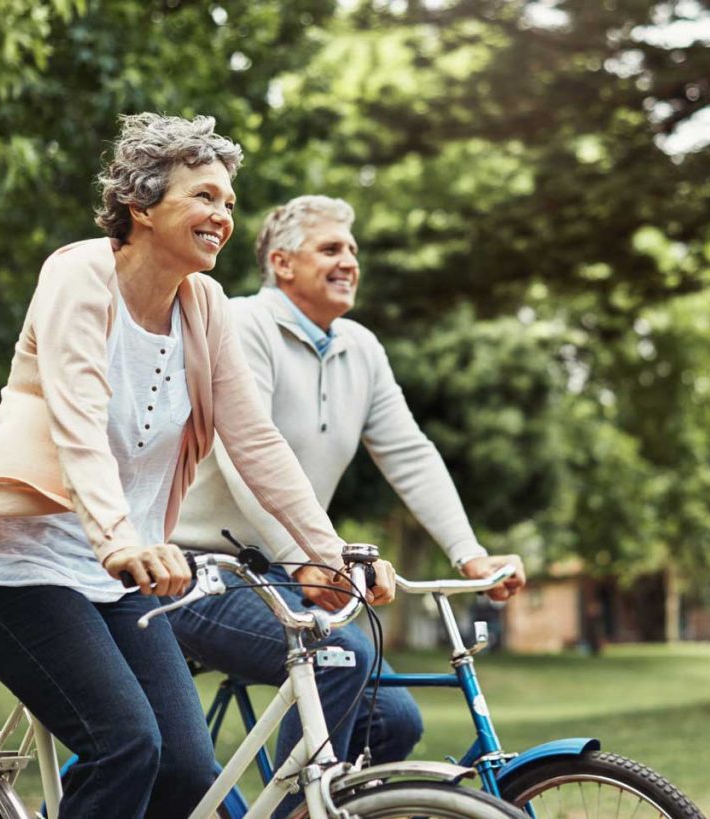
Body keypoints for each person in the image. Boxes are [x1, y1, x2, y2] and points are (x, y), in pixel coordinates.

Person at [0, 117, 393, 818]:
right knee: (126, 743)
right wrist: (121, 538)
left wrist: (330, 552)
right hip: (13, 563)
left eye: (229, 204)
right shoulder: (77, 275)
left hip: (117, 576)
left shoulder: (202, 303)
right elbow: (79, 424)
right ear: (142, 206)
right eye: (205, 197)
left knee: (188, 770)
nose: (222, 216)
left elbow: (256, 441)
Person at [170, 195, 527, 815]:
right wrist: (306, 556)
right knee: (342, 657)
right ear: (282, 263)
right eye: (332, 249)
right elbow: (243, 451)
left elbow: (410, 454)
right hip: (195, 569)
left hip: (285, 572)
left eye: (353, 251)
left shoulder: (360, 347)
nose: (349, 262)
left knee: (392, 719)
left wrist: (469, 554)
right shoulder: (242, 324)